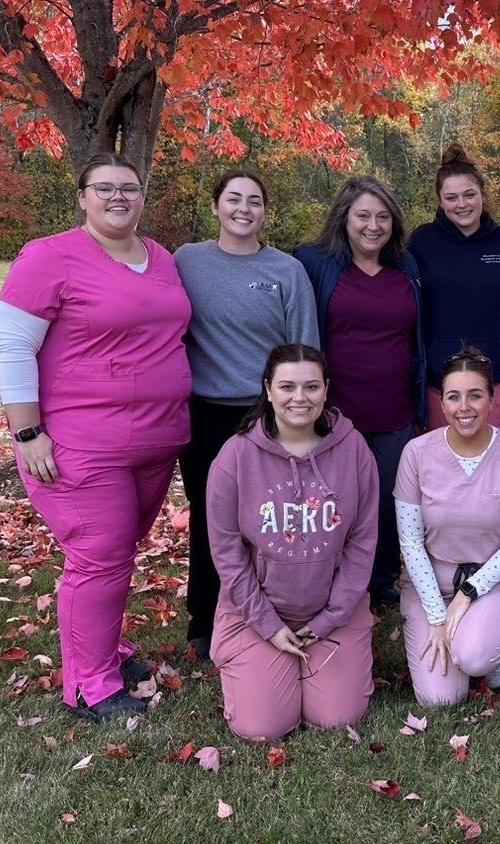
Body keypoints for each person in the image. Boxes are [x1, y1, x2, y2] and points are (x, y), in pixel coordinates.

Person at [0, 153, 190, 722]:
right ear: (82, 197)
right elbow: (13, 345)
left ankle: (103, 650)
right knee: (98, 555)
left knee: (117, 552)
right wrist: (27, 431)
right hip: (81, 444)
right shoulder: (49, 256)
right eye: (104, 188)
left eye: (129, 187)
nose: (118, 197)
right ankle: (89, 685)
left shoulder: (161, 258)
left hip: (156, 440)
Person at [175, 168, 320, 661]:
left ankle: (274, 610)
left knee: (272, 516)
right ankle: (204, 616)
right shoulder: (187, 261)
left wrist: (299, 408)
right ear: (216, 206)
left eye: (254, 201)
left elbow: (304, 347)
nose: (243, 209)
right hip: (206, 413)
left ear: (264, 211)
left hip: (268, 412)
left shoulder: (286, 271)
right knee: (210, 517)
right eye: (234, 199)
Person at [205, 344, 378, 739]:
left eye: (311, 387)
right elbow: (228, 553)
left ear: (326, 389)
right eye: (287, 387)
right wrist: (267, 624)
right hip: (257, 613)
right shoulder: (235, 457)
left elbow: (363, 542)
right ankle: (261, 662)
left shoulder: (354, 450)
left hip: (333, 612)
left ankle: (322, 661)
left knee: (337, 716)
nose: (300, 398)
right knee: (261, 727)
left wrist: (331, 617)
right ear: (268, 389)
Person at [295, 176, 425, 608]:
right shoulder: (314, 262)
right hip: (333, 411)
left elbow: (417, 338)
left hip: (394, 409)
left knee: (387, 500)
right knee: (331, 499)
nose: (373, 226)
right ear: (344, 218)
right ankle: (327, 578)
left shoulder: (406, 266)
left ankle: (381, 581)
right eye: (363, 216)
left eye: (383, 217)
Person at [395, 346, 500, 705]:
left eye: (475, 395)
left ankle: (493, 647)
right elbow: (410, 541)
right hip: (431, 579)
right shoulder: (416, 453)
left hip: (496, 579)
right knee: (439, 698)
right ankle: (464, 635)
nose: (464, 407)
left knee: (476, 656)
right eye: (453, 396)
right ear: (441, 402)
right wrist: (436, 615)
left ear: (492, 399)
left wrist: (467, 594)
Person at [407, 144, 500, 431]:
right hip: (439, 380)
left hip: (493, 376)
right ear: (440, 201)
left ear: (482, 195)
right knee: (441, 456)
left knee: (493, 454)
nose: (462, 204)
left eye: (469, 194)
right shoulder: (422, 242)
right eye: (451, 197)